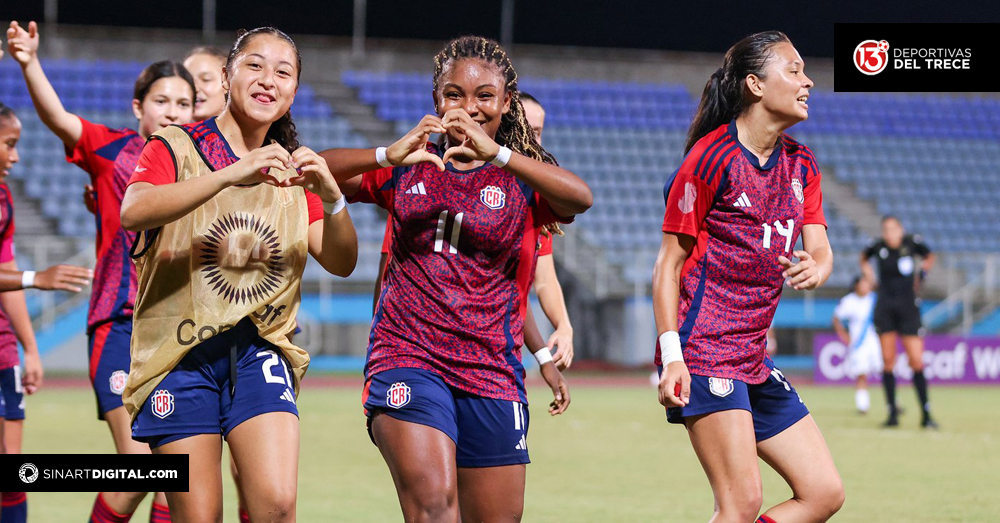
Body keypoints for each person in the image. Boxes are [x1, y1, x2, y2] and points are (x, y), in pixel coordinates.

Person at [321, 35, 591, 522]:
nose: (469, 108)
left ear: (507, 104)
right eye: (454, 94)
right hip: (408, 356)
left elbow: (580, 198)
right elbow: (315, 170)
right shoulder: (409, 166)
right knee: (434, 505)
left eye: (485, 96)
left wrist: (499, 155)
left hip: (491, 371)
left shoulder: (520, 183)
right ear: (436, 100)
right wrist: (385, 154)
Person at [119, 26, 357, 522]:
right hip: (178, 357)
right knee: (198, 517)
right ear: (226, 78)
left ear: (293, 93)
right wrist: (231, 172)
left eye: (283, 72)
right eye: (254, 65)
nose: (268, 79)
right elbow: (135, 209)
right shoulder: (174, 146)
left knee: (276, 504)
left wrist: (333, 198)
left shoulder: (294, 173)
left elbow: (341, 261)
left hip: (259, 349)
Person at [653, 31, 844, 523]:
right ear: (755, 85)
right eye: (795, 70)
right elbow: (667, 266)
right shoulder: (709, 159)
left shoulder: (802, 164)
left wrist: (817, 266)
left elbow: (820, 248)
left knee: (823, 493)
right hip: (704, 351)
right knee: (740, 501)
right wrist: (672, 357)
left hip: (752, 356)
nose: (809, 81)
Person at [6, 21, 181, 522]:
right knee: (140, 466)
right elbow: (61, 119)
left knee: (174, 478)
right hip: (120, 326)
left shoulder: (205, 169)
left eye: (183, 103)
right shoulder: (113, 151)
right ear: (138, 108)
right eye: (162, 101)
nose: (173, 112)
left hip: (177, 335)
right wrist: (29, 62)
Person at [860, 215, 937, 428]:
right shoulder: (877, 247)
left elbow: (929, 257)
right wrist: (870, 278)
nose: (890, 233)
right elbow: (863, 259)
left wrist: (921, 275)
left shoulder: (912, 243)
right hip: (885, 308)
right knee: (888, 360)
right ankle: (892, 413)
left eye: (893, 229)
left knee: (916, 361)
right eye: (886, 229)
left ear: (901, 230)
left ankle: (926, 413)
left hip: (908, 308)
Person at [520, 92, 574, 370]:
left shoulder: (534, 197)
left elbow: (543, 279)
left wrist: (564, 326)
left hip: (499, 354)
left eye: (538, 133)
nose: (533, 141)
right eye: (526, 130)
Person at [832, 275, 882, 414]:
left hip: (875, 340)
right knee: (861, 374)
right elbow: (836, 318)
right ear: (856, 285)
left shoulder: (874, 299)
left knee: (885, 370)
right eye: (863, 283)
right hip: (858, 343)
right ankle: (862, 406)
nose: (866, 286)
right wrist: (843, 335)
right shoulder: (848, 301)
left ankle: (893, 403)